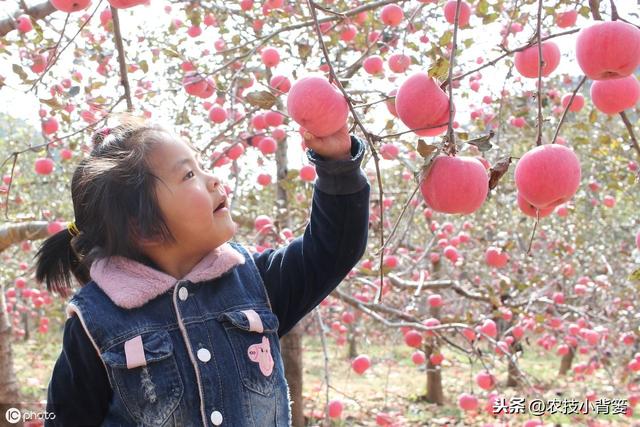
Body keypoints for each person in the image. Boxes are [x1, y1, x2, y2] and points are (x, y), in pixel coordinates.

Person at [35, 113, 370, 426]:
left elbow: (332, 249)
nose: (213, 180)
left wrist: (337, 163)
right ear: (144, 227)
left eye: (201, 167)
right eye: (189, 174)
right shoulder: (96, 325)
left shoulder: (254, 282)